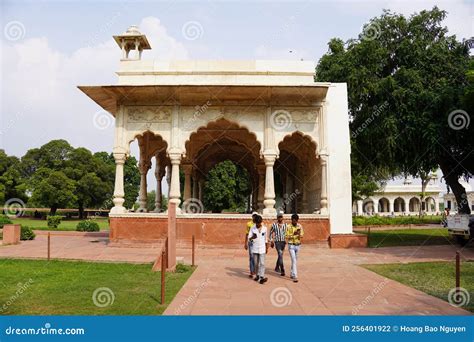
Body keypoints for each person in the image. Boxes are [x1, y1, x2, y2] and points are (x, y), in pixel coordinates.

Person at [248, 215, 268, 284]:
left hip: (262, 248)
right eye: (257, 223)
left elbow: (266, 239)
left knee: (262, 263)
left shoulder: (265, 228)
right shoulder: (252, 228)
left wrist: (267, 247)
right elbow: (249, 238)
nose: (258, 224)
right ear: (255, 222)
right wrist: (252, 237)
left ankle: (261, 277)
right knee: (256, 264)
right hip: (255, 248)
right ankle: (257, 275)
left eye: (259, 223)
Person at [286, 213, 304, 283]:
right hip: (291, 245)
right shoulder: (288, 226)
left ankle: (291, 273)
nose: (295, 222)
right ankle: (295, 276)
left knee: (295, 261)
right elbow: (286, 236)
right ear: (291, 220)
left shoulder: (299, 226)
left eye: (296, 221)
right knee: (293, 260)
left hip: (298, 245)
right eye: (293, 220)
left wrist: (299, 234)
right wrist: (293, 235)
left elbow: (302, 235)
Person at [270, 212, 287, 276]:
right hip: (277, 242)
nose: (280, 218)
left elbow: (287, 233)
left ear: (283, 218)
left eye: (281, 217)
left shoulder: (286, 225)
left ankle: (277, 267)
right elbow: (271, 233)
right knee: (280, 253)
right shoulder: (274, 225)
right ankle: (282, 269)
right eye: (279, 217)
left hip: (283, 242)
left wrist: (287, 239)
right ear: (277, 218)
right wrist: (271, 241)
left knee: (280, 255)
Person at [244, 212, 258, 277]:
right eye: (253, 216)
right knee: (251, 256)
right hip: (251, 242)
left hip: (257, 242)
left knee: (257, 257)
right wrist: (245, 243)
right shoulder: (249, 224)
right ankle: (252, 271)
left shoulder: (259, 223)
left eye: (255, 216)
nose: (254, 217)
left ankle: (255, 270)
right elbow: (247, 234)